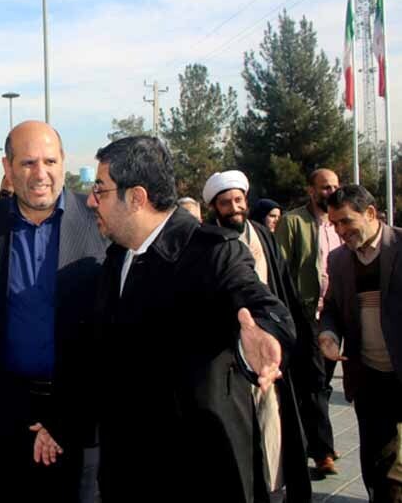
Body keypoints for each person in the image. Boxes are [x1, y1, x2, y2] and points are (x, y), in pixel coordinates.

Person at [75, 136, 295, 503]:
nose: (91, 201)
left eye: (101, 189)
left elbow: (260, 304)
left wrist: (265, 333)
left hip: (196, 473)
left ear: (137, 197)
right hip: (126, 470)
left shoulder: (212, 253)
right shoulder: (117, 258)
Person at [0, 120, 109, 503]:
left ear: (63, 162)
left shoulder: (100, 219)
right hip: (4, 416)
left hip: (81, 413)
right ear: (8, 168)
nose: (41, 173)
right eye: (27, 163)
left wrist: (66, 416)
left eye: (50, 161)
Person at [203, 170, 313, 502]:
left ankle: (274, 488)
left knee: (273, 421)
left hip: (270, 352)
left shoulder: (263, 235)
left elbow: (284, 289)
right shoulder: (209, 242)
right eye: (225, 203)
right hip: (230, 355)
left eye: (238, 200)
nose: (234, 208)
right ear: (215, 207)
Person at [319, 185, 402, 502]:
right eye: (334, 224)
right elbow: (332, 308)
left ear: (370, 213)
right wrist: (328, 334)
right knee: (378, 462)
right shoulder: (339, 260)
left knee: (395, 466)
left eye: (346, 221)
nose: (341, 231)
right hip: (368, 376)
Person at [275, 168, 341, 474]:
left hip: (336, 315)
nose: (331, 192)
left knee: (322, 382)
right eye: (325, 187)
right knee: (314, 381)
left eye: (335, 186)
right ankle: (322, 451)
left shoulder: (339, 223)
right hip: (307, 314)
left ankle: (312, 439)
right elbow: (281, 268)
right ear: (311, 191)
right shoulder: (294, 222)